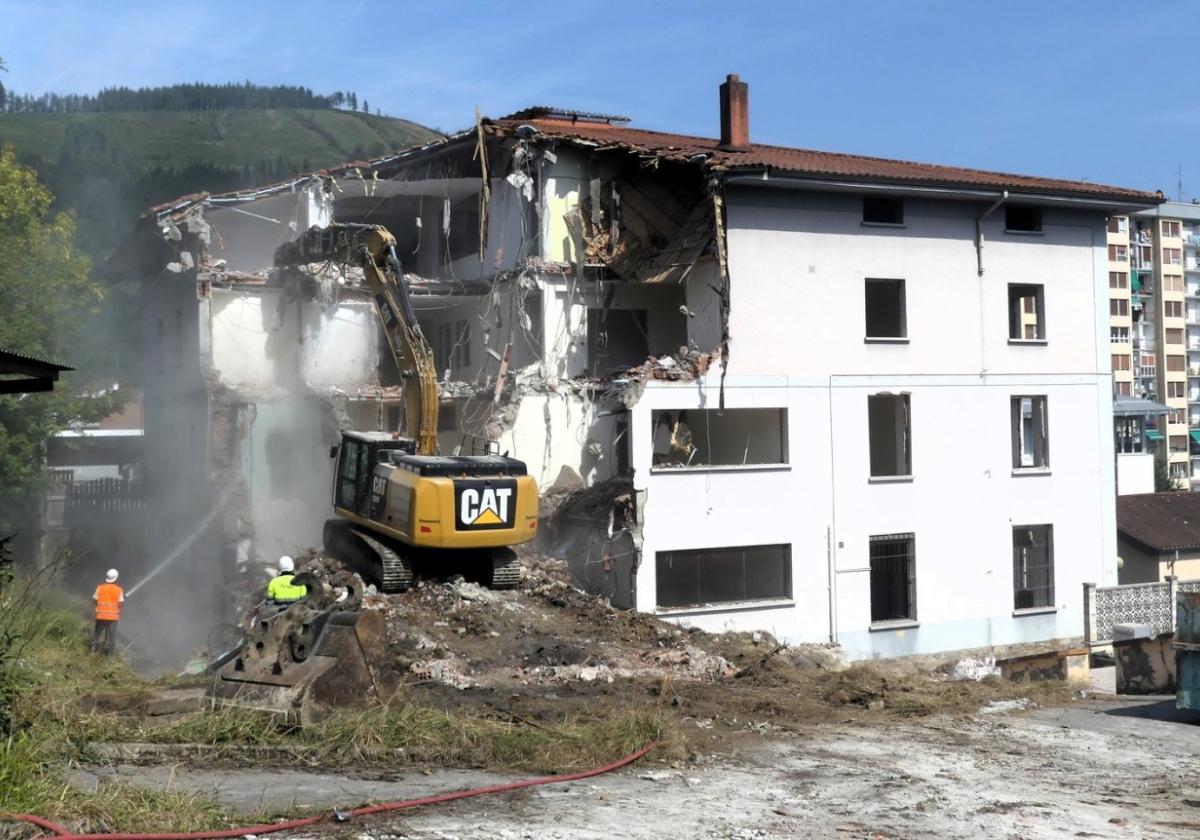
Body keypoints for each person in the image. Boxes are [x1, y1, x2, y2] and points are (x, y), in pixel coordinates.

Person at [91, 568, 125, 655]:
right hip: (113, 618)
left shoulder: (100, 588)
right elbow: (120, 604)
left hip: (101, 616)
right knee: (112, 637)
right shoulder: (119, 590)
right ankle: (110, 656)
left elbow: (94, 600)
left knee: (97, 634)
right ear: (116, 578)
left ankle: (93, 651)